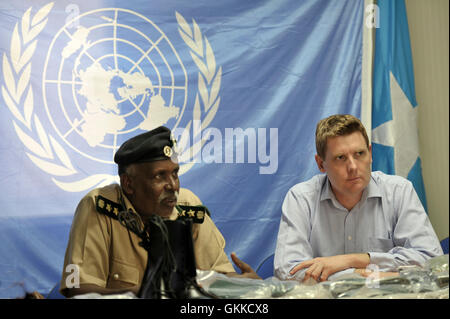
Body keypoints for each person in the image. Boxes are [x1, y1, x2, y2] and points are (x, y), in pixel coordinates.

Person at [60, 126, 259, 298]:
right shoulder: (99, 206)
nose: (173, 186)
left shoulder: (188, 206)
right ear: (129, 184)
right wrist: (141, 293)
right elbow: (77, 290)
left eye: (175, 174)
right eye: (159, 176)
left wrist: (244, 284)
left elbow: (217, 276)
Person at [274, 114, 443, 283]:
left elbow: (431, 261)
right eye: (340, 158)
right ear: (320, 164)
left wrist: (352, 260)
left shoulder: (399, 191)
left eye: (359, 154)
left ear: (370, 154)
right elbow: (288, 271)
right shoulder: (301, 198)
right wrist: (362, 275)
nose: (353, 167)